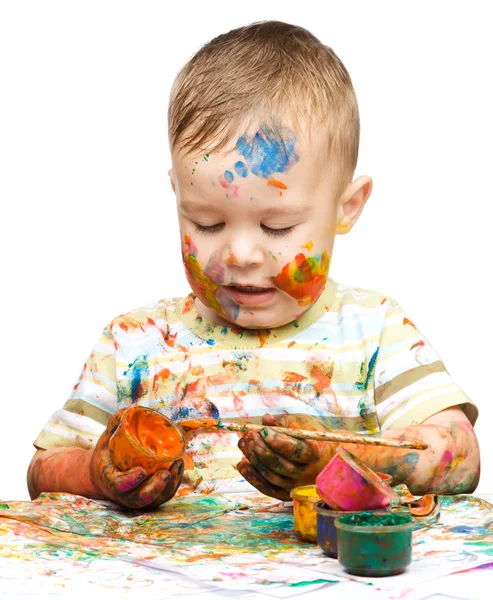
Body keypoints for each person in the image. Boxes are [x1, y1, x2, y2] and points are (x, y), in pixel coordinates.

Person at [27, 20, 480, 509]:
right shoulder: (133, 342)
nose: (240, 254)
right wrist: (97, 473)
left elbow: (461, 458)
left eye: (277, 228)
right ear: (177, 194)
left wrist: (345, 455)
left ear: (346, 207)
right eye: (207, 222)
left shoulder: (376, 332)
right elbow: (43, 473)